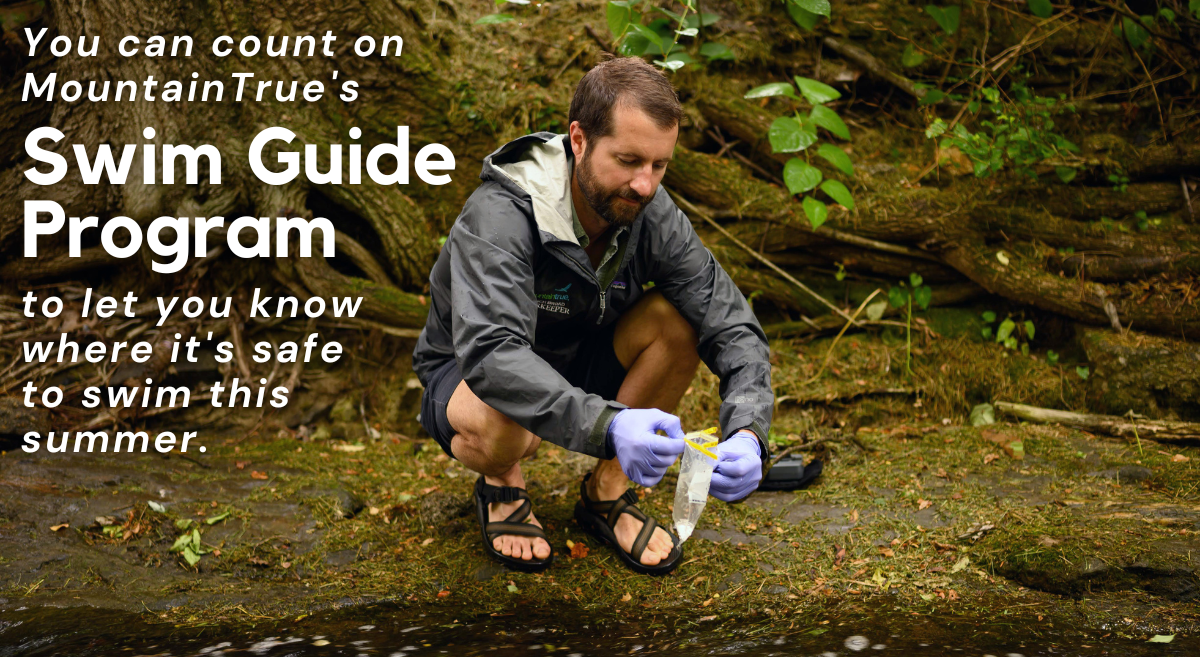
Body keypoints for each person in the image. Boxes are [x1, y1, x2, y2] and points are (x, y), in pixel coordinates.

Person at [412, 56, 773, 575]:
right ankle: (503, 480)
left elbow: (730, 322)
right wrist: (611, 424)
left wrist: (748, 432)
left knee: (679, 321)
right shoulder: (500, 214)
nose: (645, 185)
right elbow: (494, 356)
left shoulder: (650, 212)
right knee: (507, 421)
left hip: (577, 353)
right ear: (578, 140)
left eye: (659, 165)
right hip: (472, 374)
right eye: (628, 161)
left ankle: (606, 493)